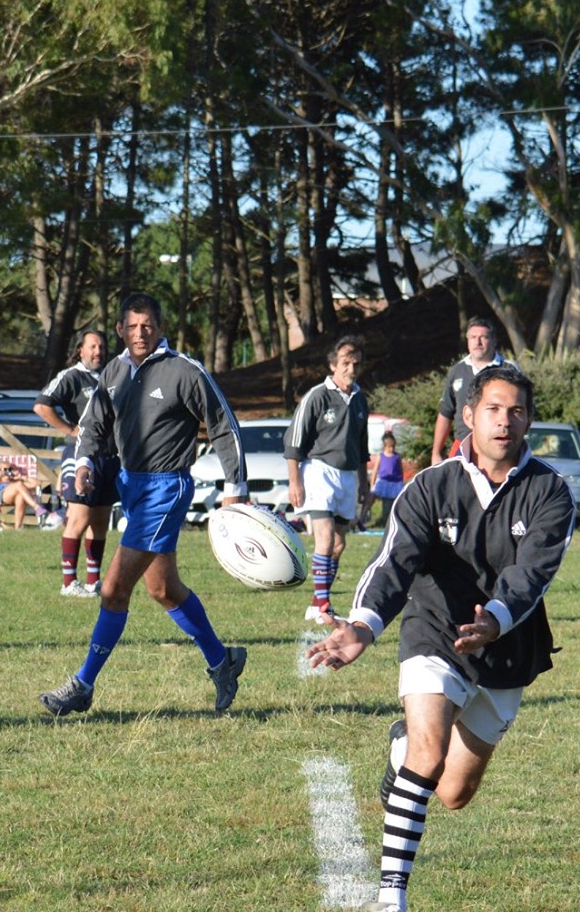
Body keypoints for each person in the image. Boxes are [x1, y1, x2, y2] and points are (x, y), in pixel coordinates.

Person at [307, 365, 576, 912]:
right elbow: (394, 562)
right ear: (470, 416)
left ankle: (398, 746)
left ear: (528, 421)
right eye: (495, 410)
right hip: (433, 630)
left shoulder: (550, 491)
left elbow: (532, 576)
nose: (506, 421)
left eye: (518, 412)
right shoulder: (430, 485)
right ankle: (390, 905)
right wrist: (362, 627)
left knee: (453, 793)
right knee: (428, 756)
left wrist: (496, 619)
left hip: (507, 645)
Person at [39, 292, 250, 717]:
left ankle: (83, 684)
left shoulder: (184, 370)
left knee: (114, 589)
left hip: (166, 489)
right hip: (129, 486)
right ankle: (222, 661)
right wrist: (82, 461)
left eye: (148, 325)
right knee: (164, 589)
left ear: (161, 327)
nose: (141, 333)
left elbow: (223, 425)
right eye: (132, 326)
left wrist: (235, 486)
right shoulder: (114, 371)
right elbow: (93, 424)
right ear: (120, 330)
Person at [286, 333, 370, 622]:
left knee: (338, 544)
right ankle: (324, 607)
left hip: (348, 477)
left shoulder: (360, 400)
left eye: (356, 363)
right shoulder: (317, 396)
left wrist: (365, 485)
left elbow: (361, 449)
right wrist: (294, 480)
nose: (352, 368)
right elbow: (294, 440)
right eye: (346, 362)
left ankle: (315, 602)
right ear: (333, 364)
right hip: (319, 472)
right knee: (324, 540)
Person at [34, 329, 116, 596]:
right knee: (79, 518)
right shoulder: (71, 377)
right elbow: (42, 405)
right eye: (92, 347)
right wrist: (70, 429)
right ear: (81, 350)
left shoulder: (111, 375)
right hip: (81, 456)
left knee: (101, 520)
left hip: (109, 457)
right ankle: (68, 583)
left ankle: (93, 581)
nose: (97, 352)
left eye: (101, 347)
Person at [429, 317, 517, 465]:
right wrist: (436, 453)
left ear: (494, 340)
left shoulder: (509, 370)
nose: (478, 342)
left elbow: (521, 410)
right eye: (473, 337)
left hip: (498, 444)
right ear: (467, 340)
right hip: (462, 445)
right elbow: (445, 413)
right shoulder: (457, 371)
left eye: (483, 337)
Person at [369, 432, 406, 529]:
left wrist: (401, 482)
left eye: (393, 446)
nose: (391, 449)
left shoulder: (397, 456)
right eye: (389, 447)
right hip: (383, 483)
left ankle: (392, 521)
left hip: (395, 484)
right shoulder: (380, 456)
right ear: (385, 446)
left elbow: (401, 470)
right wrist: (372, 485)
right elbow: (375, 471)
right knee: (382, 502)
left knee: (393, 503)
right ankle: (366, 518)